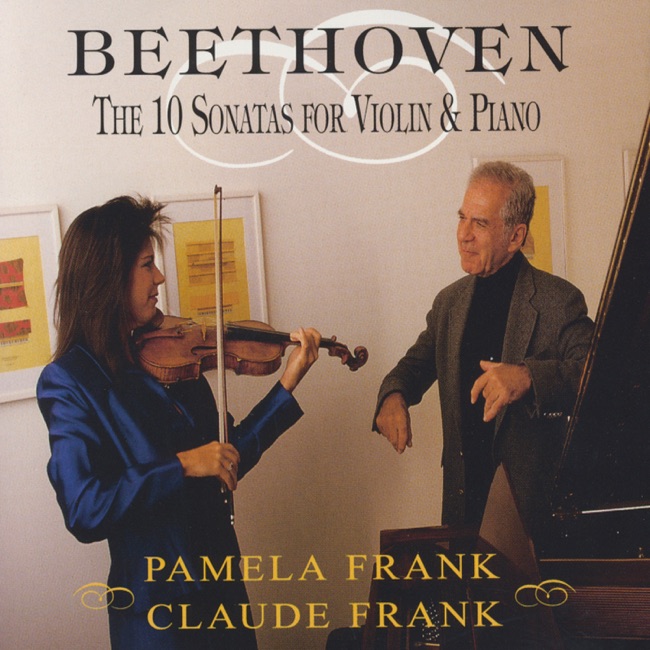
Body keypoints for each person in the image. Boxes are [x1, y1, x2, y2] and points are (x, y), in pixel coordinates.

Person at [37, 195, 321, 649]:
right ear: (109, 276)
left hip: (223, 596)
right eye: (147, 265)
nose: (160, 278)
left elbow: (224, 459)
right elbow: (85, 509)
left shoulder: (173, 357)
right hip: (158, 619)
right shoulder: (70, 380)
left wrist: (286, 385)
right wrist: (182, 465)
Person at [373, 161, 594, 537]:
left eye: (480, 223)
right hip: (462, 515)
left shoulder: (560, 300)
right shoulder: (449, 303)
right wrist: (393, 395)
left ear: (515, 236)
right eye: (462, 218)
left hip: (534, 523)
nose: (463, 235)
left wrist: (527, 377)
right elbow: (413, 366)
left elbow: (598, 372)